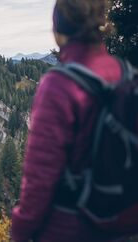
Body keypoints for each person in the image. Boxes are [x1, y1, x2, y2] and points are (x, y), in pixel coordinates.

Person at [11, 0, 127, 241]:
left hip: (69, 227)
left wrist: (19, 231)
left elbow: (40, 177)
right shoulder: (126, 73)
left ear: (58, 32)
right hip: (119, 224)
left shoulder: (59, 85)